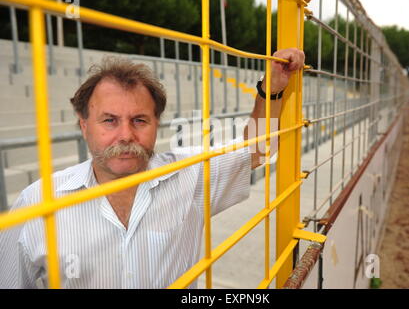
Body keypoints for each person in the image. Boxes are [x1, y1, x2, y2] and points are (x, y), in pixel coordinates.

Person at [0, 48, 304, 288]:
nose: (125, 135)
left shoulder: (191, 175)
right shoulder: (38, 201)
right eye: (109, 120)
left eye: (139, 120)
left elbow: (258, 149)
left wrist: (272, 89)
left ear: (156, 124)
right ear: (84, 126)